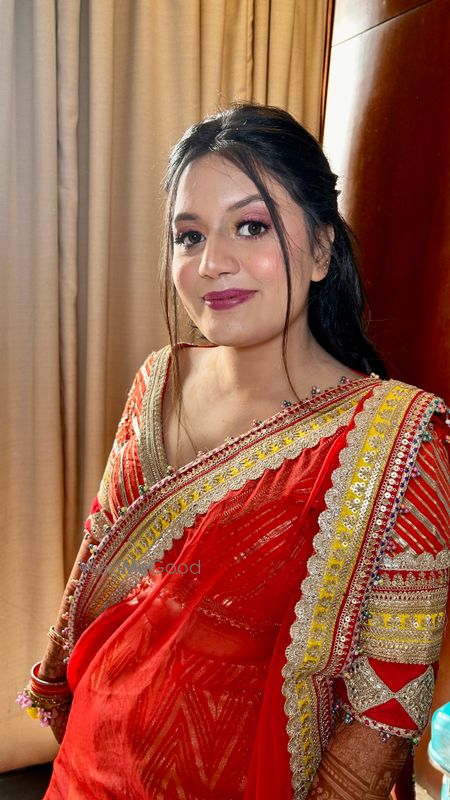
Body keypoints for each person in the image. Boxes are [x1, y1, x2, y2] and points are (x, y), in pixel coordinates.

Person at [18, 104, 450, 800]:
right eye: (188, 236)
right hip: (91, 759)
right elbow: (99, 563)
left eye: (251, 226)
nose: (211, 263)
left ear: (321, 249)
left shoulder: (399, 440)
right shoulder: (158, 380)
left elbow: (387, 706)